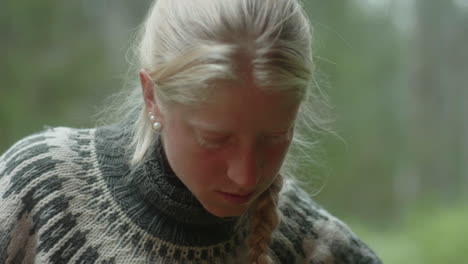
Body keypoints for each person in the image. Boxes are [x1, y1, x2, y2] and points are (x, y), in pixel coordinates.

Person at [0, 0, 382, 263]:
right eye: (215, 139)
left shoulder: (311, 248)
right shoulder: (39, 193)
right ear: (152, 97)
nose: (246, 175)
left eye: (274, 136)